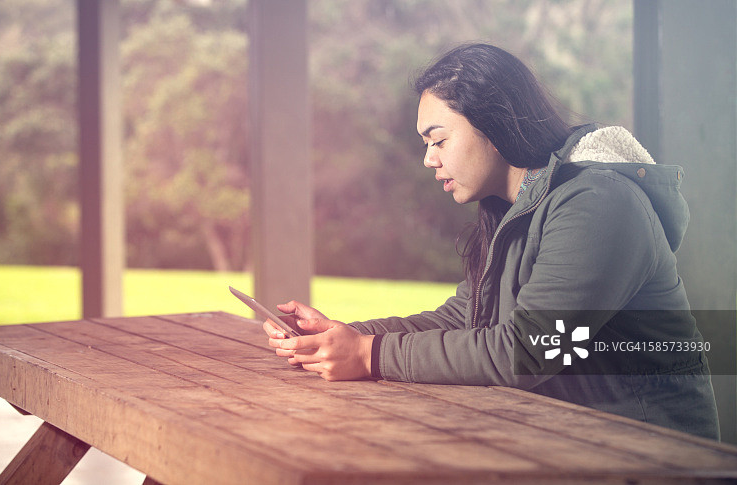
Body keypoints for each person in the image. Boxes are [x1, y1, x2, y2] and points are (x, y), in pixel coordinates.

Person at [262, 43, 720, 440]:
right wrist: (347, 337)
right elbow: (466, 316)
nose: (428, 159)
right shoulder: (516, 207)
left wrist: (368, 355)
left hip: (652, 455)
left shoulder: (598, 204)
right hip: (566, 441)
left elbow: (527, 351)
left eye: (438, 140)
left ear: (494, 126)